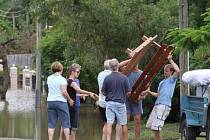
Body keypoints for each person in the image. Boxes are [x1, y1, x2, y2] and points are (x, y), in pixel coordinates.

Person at [142, 54, 180, 140]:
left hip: (164, 106)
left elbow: (178, 71)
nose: (165, 72)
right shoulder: (161, 82)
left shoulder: (172, 80)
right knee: (153, 127)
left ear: (171, 72)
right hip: (157, 105)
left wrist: (170, 60)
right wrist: (148, 92)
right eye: (164, 71)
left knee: (156, 128)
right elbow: (158, 95)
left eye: (167, 71)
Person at [60, 63, 98, 140]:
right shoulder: (72, 82)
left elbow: (68, 93)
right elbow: (79, 90)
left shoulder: (66, 81)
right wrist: (90, 93)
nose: (79, 73)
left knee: (67, 126)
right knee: (72, 128)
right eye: (77, 72)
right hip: (71, 107)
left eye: (79, 72)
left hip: (67, 106)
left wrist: (79, 96)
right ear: (72, 72)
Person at [101, 58, 131, 140]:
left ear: (110, 67)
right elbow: (129, 92)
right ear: (118, 66)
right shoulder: (124, 78)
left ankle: (108, 138)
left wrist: (109, 94)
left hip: (109, 103)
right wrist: (123, 95)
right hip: (120, 103)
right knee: (123, 123)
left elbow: (103, 92)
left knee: (109, 122)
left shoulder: (107, 78)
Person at [47, 61, 74, 140]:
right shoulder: (62, 79)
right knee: (66, 123)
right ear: (61, 70)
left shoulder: (49, 78)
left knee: (51, 124)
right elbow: (64, 92)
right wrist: (70, 100)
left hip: (50, 102)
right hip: (61, 102)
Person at [97, 59, 122, 140]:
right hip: (111, 101)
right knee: (118, 122)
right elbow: (119, 66)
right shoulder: (111, 74)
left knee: (106, 123)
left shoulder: (100, 74)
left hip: (101, 102)